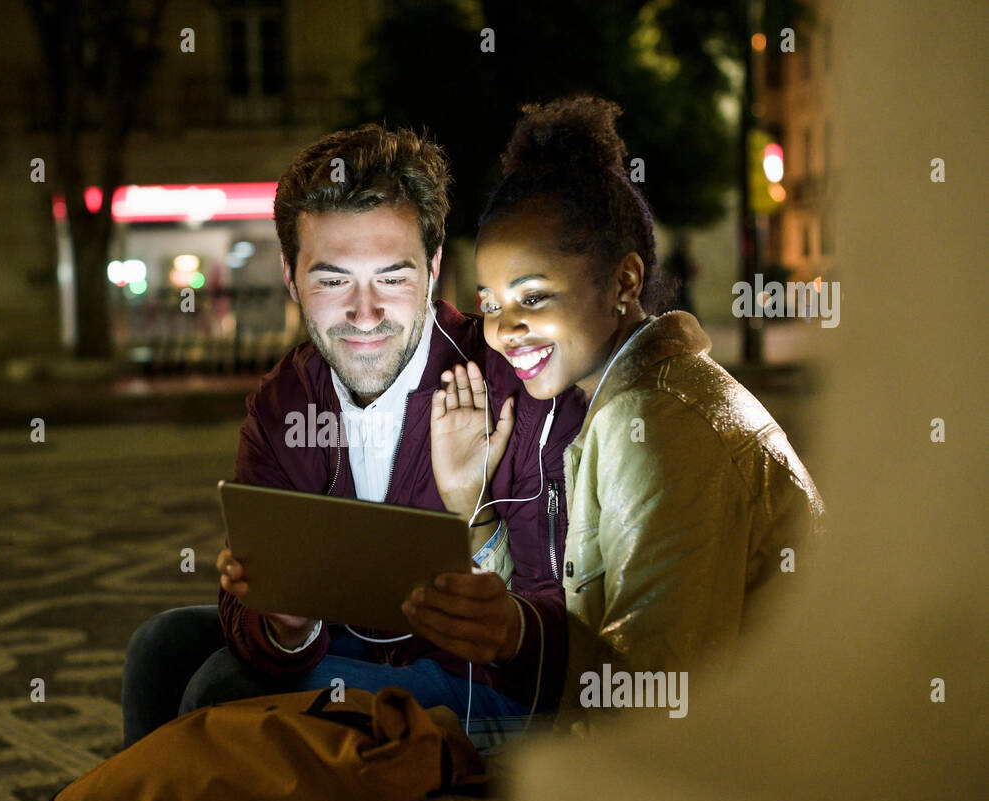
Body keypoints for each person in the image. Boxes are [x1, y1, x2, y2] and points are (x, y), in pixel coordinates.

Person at [122, 124, 588, 748]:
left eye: (393, 278)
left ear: (434, 268)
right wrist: (285, 623)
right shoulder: (286, 399)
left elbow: (565, 635)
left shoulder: (515, 384)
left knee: (223, 691)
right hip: (343, 649)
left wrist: (498, 596)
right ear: (291, 277)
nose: (364, 314)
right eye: (333, 280)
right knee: (160, 648)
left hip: (474, 683)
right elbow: (247, 606)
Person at [428, 95, 825, 732]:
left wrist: (517, 638)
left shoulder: (656, 423)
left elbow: (647, 698)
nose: (504, 330)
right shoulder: (634, 400)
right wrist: (472, 504)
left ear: (625, 282)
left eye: (533, 296)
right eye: (491, 301)